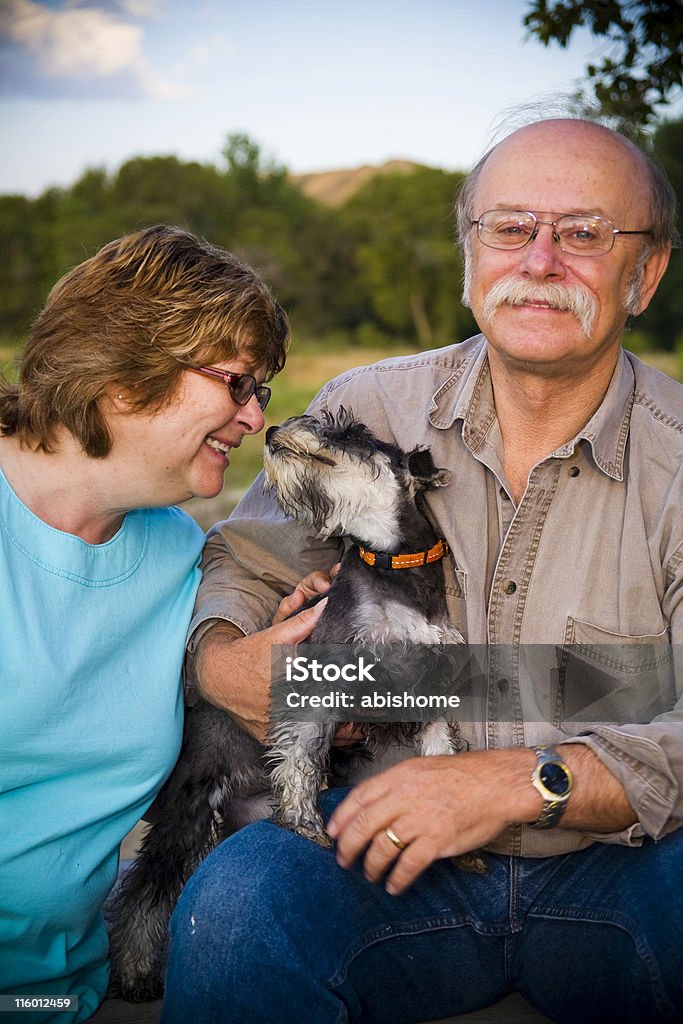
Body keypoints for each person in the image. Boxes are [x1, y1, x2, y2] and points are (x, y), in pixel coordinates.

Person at [163, 118, 683, 1024]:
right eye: (509, 226)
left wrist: (531, 779)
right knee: (241, 903)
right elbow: (244, 561)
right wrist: (221, 663)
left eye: (586, 232)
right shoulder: (366, 405)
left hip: (634, 862)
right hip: (380, 853)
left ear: (646, 273)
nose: (543, 258)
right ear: (468, 255)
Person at [0, 224, 330, 1024]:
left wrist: (284, 664)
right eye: (238, 384)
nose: (255, 419)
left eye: (262, 392)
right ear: (125, 373)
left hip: (56, 996)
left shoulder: (180, 555)